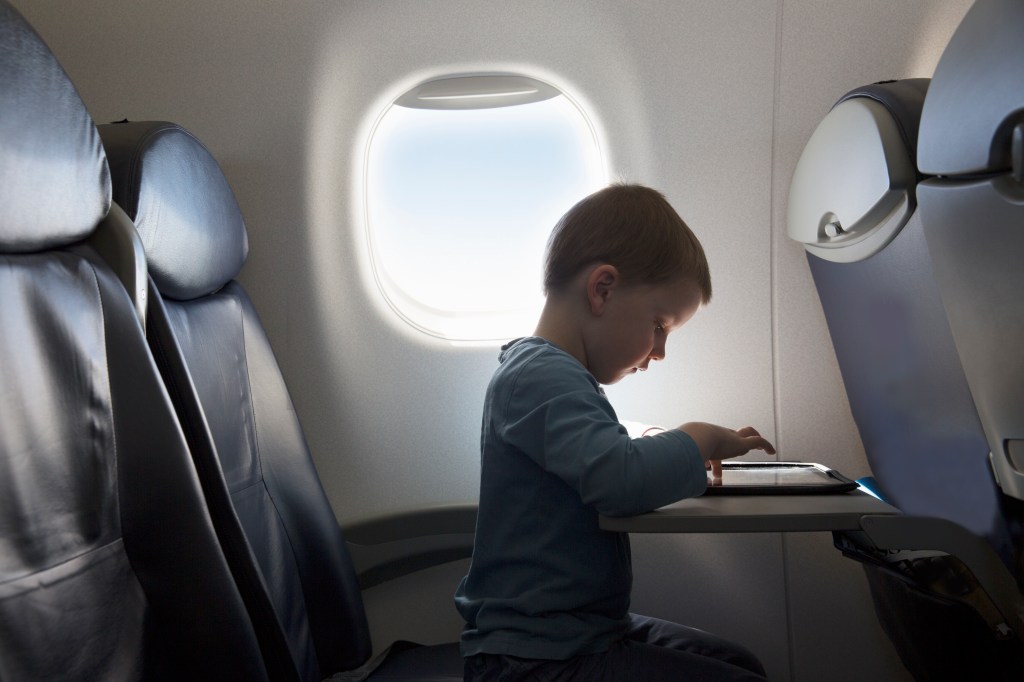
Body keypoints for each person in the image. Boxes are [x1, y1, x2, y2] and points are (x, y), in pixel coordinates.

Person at [454, 184, 776, 681]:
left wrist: (650, 442)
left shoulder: (553, 377)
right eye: (660, 325)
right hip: (536, 658)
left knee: (740, 665)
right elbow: (618, 480)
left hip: (579, 634)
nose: (661, 351)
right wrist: (698, 439)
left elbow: (599, 454)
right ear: (603, 288)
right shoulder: (538, 376)